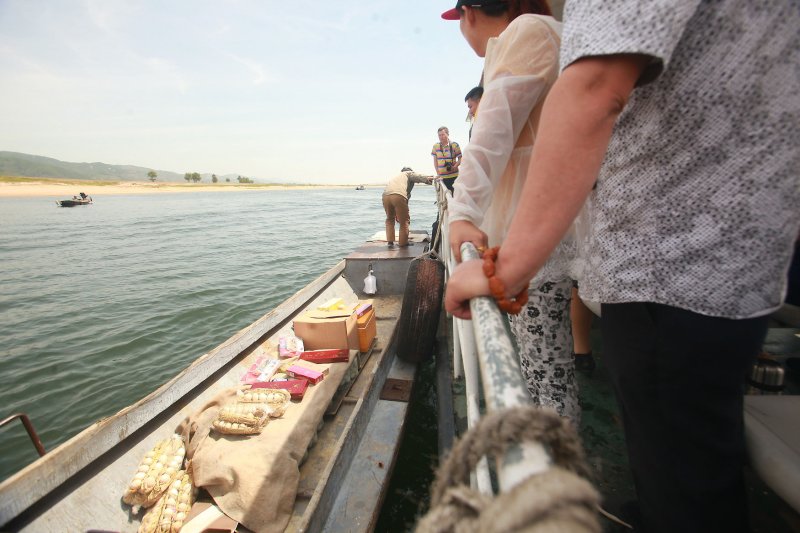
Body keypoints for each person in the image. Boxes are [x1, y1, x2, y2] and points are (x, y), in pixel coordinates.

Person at [445, 1, 800, 532]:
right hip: (715, 261)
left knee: (559, 382)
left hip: (667, 264)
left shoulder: (529, 33)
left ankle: (551, 497)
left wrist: (501, 255)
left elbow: (587, 92)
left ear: (471, 13)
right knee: (680, 465)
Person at [442, 0, 581, 421]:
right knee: (545, 369)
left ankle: (555, 476)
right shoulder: (542, 33)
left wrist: (461, 212)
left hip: (535, 239)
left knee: (545, 374)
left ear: (469, 13)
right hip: (550, 231)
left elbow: (493, 133)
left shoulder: (527, 33)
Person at [382, 167, 433, 248]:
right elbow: (417, 176)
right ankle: (403, 243)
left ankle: (390, 243)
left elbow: (405, 199)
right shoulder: (407, 173)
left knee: (389, 219)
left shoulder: (397, 178)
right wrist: (428, 178)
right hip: (398, 195)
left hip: (385, 196)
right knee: (404, 222)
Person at [431, 127, 462, 193]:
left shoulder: (455, 145)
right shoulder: (435, 146)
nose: (441, 137)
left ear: (447, 134)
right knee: (445, 199)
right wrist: (438, 173)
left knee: (455, 197)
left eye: (443, 135)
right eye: (439, 135)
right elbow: (435, 162)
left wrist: (455, 166)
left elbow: (460, 158)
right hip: (442, 178)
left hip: (454, 176)